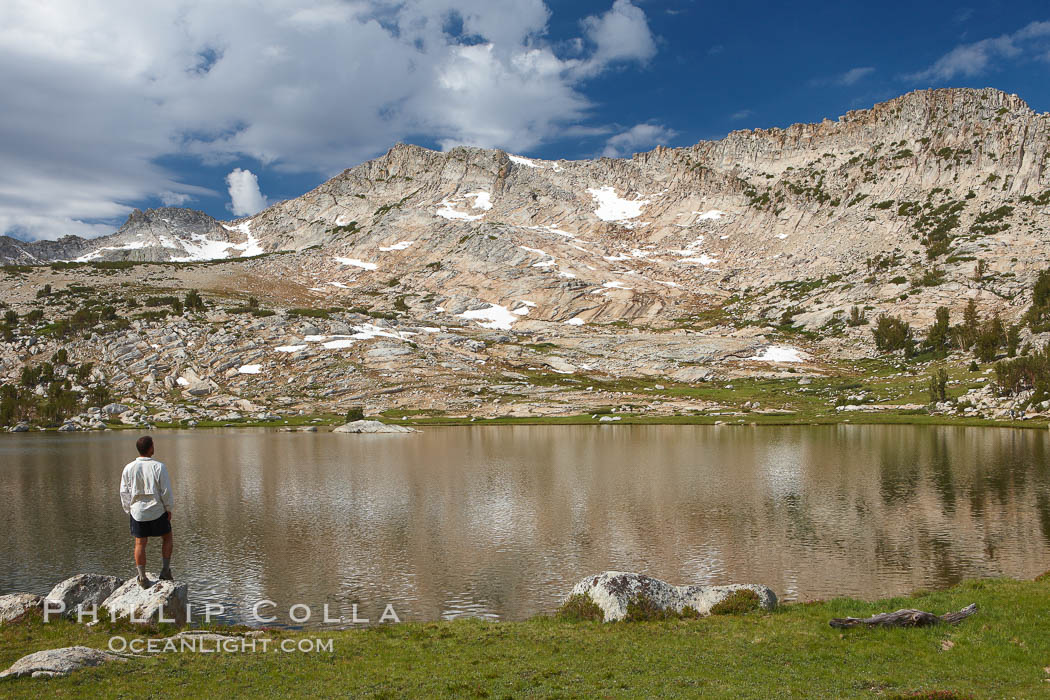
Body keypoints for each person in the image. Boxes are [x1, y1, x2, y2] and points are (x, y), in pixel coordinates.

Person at [119, 436, 174, 588]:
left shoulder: (129, 468)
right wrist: (168, 508)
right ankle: (165, 570)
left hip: (137, 512)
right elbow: (166, 491)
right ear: (150, 448)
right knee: (167, 538)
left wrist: (128, 509)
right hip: (157, 510)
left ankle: (142, 577)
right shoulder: (159, 467)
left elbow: (124, 492)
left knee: (140, 543)